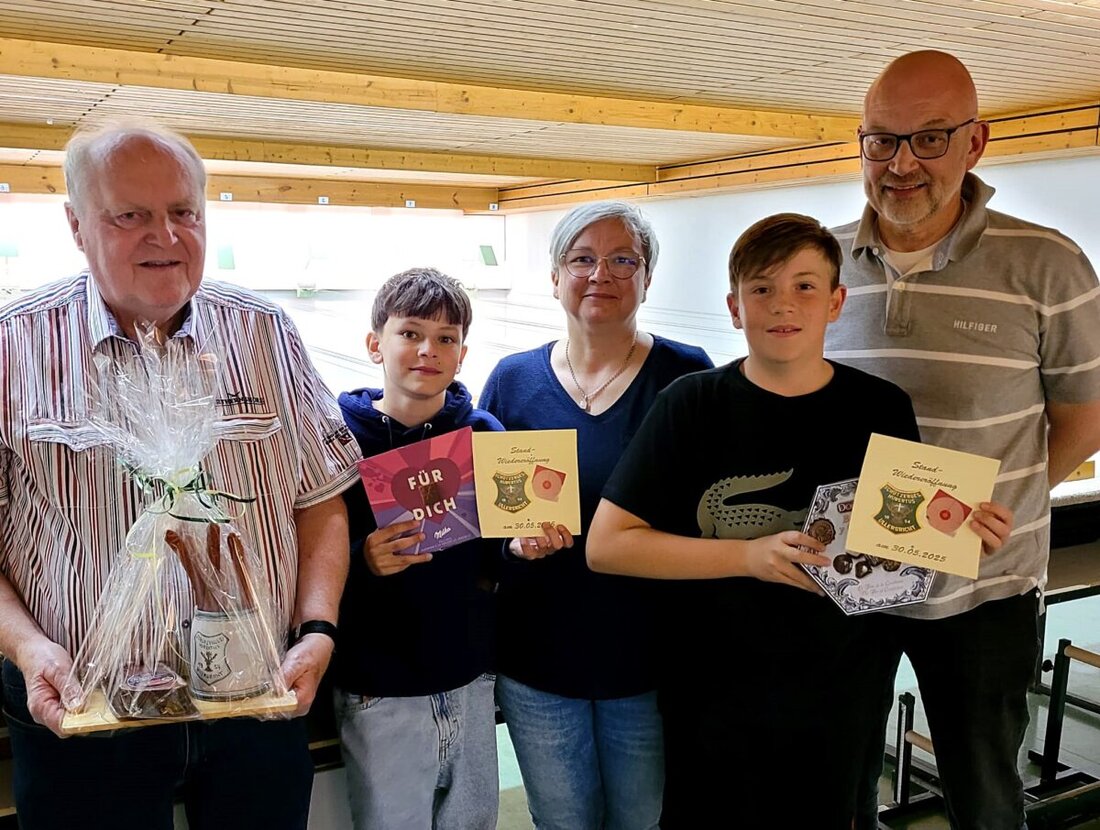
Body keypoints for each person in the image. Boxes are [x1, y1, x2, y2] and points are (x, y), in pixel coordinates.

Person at [0, 120, 361, 830]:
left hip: (256, 703)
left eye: (183, 213)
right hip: (83, 705)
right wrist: (25, 645)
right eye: (129, 216)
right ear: (76, 225)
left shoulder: (264, 333)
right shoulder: (13, 345)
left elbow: (320, 502)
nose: (164, 237)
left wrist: (317, 628)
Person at [588, 212, 978, 827]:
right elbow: (608, 546)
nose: (782, 305)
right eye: (761, 288)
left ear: (836, 302)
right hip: (712, 693)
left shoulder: (880, 407)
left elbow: (902, 542)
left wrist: (962, 525)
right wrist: (747, 556)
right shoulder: (691, 405)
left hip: (840, 690)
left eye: (804, 286)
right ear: (735, 307)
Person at [827, 50, 1100, 829]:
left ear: (976, 143)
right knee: (840, 785)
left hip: (985, 593)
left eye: (930, 138)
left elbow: (1087, 413)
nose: (901, 163)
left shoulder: (1046, 262)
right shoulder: (820, 261)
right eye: (882, 140)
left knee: (984, 797)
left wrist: (1003, 500)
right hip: (850, 582)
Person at [479, 200, 712, 829]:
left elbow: (713, 513)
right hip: (539, 661)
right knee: (562, 821)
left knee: (643, 820)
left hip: (649, 661)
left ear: (647, 277)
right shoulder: (512, 380)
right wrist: (513, 547)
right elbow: (486, 517)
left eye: (622, 260)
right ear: (555, 277)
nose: (600, 273)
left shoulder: (686, 376)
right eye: (581, 258)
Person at [333, 267, 501, 830]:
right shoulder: (334, 441)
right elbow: (305, 557)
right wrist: (364, 559)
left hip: (470, 679)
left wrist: (524, 551)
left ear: (462, 355)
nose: (428, 349)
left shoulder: (484, 436)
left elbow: (498, 559)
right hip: (380, 689)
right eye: (410, 333)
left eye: (446, 338)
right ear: (375, 343)